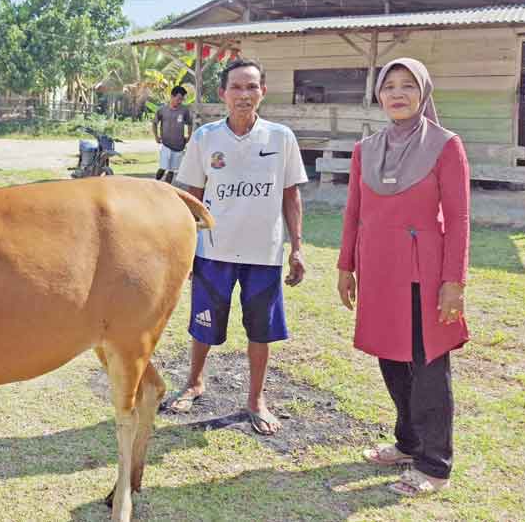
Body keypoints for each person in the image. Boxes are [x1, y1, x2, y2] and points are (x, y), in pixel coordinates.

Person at [336, 58, 469, 497]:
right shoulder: (365, 149)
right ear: (379, 94)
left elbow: (458, 218)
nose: (397, 93)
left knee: (428, 366)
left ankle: (435, 464)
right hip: (377, 268)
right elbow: (353, 211)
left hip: (422, 272)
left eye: (408, 85)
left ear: (423, 92)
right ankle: (409, 443)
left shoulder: (446, 146)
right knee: (391, 358)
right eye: (389, 85)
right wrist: (345, 266)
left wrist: (454, 282)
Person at [167, 58, 307, 436]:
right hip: (213, 251)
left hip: (264, 254)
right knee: (203, 324)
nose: (244, 94)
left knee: (261, 330)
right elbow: (192, 198)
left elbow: (291, 196)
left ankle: (256, 400)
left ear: (263, 92)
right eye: (236, 87)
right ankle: (194, 382)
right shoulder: (205, 138)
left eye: (252, 87)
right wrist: (186, 249)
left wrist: (296, 247)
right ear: (222, 94)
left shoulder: (281, 138)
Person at [152, 85, 192, 183]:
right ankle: (154, 184)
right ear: (172, 96)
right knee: (163, 167)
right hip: (166, 144)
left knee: (171, 170)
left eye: (182, 99)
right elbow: (154, 123)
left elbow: (189, 123)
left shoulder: (184, 110)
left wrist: (189, 136)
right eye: (178, 99)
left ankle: (167, 189)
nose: (180, 101)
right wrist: (156, 136)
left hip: (179, 145)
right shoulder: (162, 110)